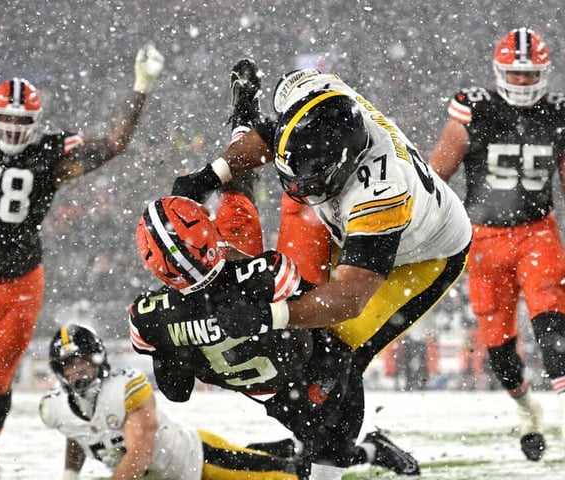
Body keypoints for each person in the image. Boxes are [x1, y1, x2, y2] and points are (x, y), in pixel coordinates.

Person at [0, 43, 165, 479]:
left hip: (20, 285)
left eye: (22, 121)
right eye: (8, 120)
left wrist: (140, 87)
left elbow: (115, 142)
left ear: (36, 123)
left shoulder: (49, 154)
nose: (14, 129)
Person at [172, 66, 472, 377]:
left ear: (342, 165)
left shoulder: (380, 192)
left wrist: (267, 316)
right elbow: (274, 136)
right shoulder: (315, 96)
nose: (294, 186)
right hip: (343, 217)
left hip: (418, 256)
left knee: (333, 357)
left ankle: (331, 413)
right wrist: (209, 176)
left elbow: (349, 298)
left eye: (307, 179)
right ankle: (242, 125)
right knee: (267, 281)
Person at [130, 195, 420, 478]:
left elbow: (176, 392)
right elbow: (320, 305)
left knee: (322, 458)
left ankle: (331, 450)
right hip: (308, 373)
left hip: (306, 382)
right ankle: (362, 450)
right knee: (317, 457)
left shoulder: (150, 316)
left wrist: (179, 344)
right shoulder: (263, 273)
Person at [428, 27, 565, 461]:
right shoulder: (474, 109)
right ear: (499, 71)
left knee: (552, 323)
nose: (522, 82)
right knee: (500, 351)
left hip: (537, 231)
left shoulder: (558, 113)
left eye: (530, 75)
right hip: (483, 239)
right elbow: (436, 180)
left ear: (543, 73)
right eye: (515, 74)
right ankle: (528, 411)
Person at [40, 324, 306, 480]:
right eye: (69, 364)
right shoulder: (56, 408)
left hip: (195, 461)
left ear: (98, 358)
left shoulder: (125, 389)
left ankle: (297, 458)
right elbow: (75, 431)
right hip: (157, 476)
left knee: (287, 477)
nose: (79, 370)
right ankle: (275, 450)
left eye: (84, 360)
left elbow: (139, 456)